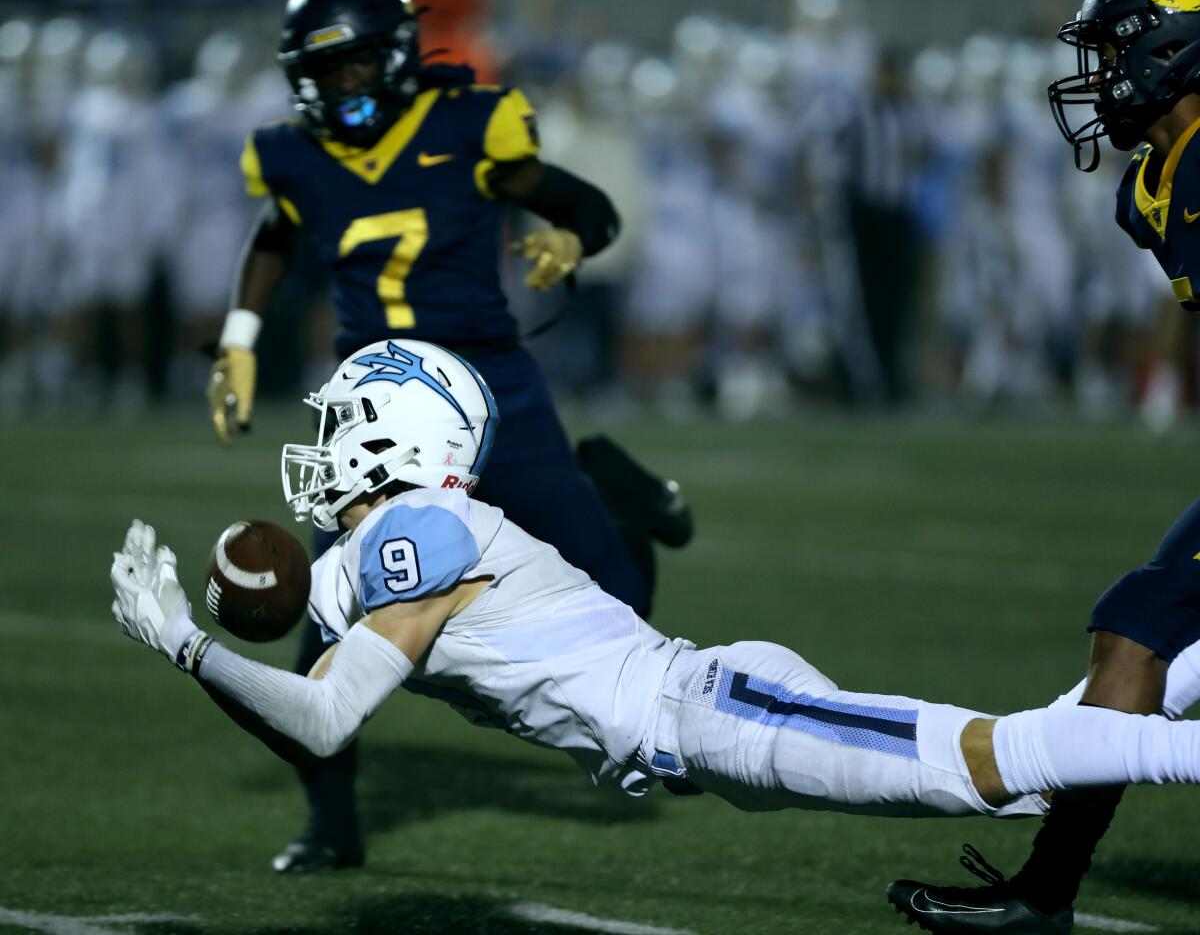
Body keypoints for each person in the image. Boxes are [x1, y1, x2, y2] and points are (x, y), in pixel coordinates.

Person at [113, 340, 1200, 879]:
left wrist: (182, 638)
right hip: (701, 735)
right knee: (1011, 779)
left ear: (398, 434)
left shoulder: (416, 535)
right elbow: (305, 702)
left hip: (711, 711)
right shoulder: (377, 552)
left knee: (990, 765)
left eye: (350, 415)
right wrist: (202, 643)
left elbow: (323, 719)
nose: (331, 433)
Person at [204, 0, 693, 874]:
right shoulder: (295, 153)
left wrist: (572, 243)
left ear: (392, 53)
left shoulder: (471, 122)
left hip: (490, 387)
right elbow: (275, 236)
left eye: (351, 60)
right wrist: (238, 338)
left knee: (620, 608)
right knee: (327, 635)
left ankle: (618, 492)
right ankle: (331, 825)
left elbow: (591, 207)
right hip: (375, 412)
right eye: (321, 68)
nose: (338, 82)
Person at [887, 0, 1200, 930]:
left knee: (1139, 622)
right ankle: (1043, 892)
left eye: (1111, 52)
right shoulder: (1154, 182)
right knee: (1132, 629)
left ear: (1172, 48)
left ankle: (1043, 895)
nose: (1097, 77)